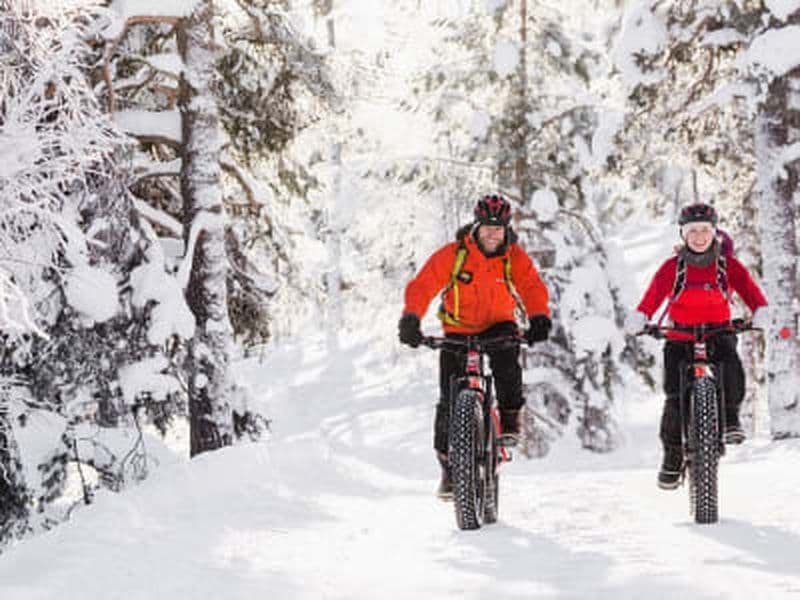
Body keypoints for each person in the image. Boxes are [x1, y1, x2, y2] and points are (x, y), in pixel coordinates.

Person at [397, 194, 552, 500]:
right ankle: (448, 468)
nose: (492, 234)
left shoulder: (513, 257)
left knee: (507, 365)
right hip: (457, 328)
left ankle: (508, 419)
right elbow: (424, 284)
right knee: (448, 401)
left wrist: (538, 318)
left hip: (499, 325)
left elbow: (532, 287)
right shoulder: (454, 254)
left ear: (506, 230)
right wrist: (411, 318)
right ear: (476, 227)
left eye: (499, 229)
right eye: (487, 228)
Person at [625, 202, 768, 490]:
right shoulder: (673, 267)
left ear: (714, 233)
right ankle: (672, 456)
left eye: (705, 230)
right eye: (693, 231)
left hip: (719, 332)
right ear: (683, 235)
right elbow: (654, 295)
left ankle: (729, 419)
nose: (700, 236)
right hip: (680, 337)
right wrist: (642, 317)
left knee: (731, 369)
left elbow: (749, 290)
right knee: (675, 398)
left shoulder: (727, 265)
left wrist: (760, 309)